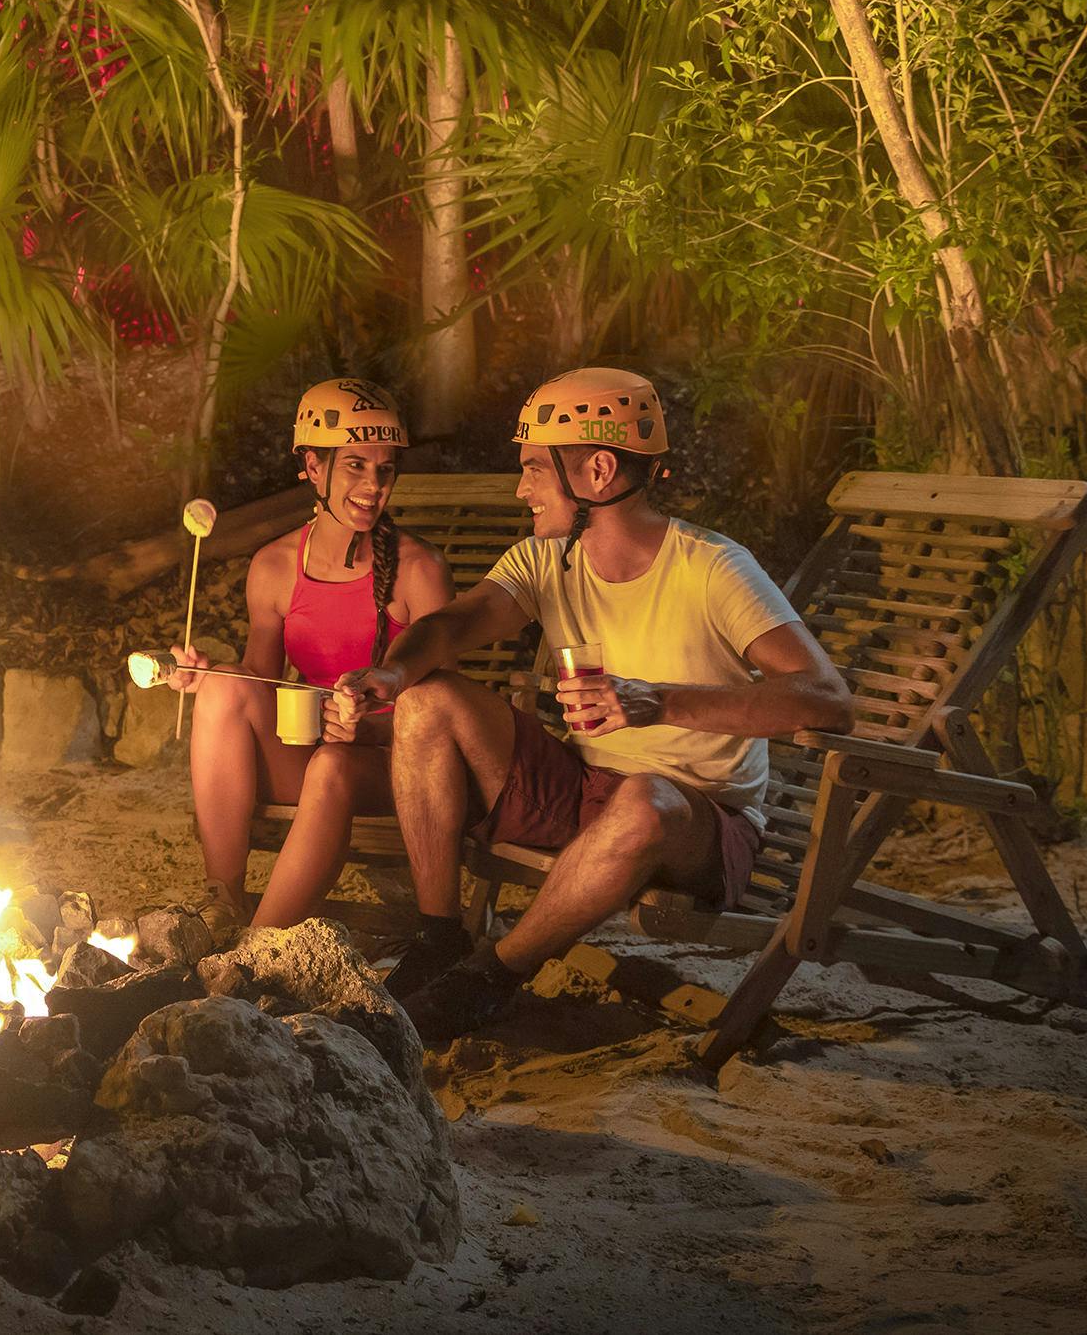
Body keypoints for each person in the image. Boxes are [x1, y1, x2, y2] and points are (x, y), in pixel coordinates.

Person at [331, 367, 853, 1045]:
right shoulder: (547, 557)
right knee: (427, 702)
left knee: (645, 801)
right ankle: (441, 937)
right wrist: (393, 674)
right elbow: (452, 626)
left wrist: (658, 702)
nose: (521, 489)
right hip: (584, 788)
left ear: (599, 470)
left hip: (695, 817)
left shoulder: (713, 567)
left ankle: (489, 977)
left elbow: (827, 700)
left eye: (532, 470)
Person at [170, 378, 453, 939]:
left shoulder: (420, 570)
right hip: (307, 757)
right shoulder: (274, 567)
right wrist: (207, 677)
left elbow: (444, 717)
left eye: (385, 469)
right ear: (314, 467)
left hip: (391, 769)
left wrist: (362, 732)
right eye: (355, 466)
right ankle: (222, 903)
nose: (373, 486)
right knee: (226, 687)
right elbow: (261, 682)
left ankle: (258, 946)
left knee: (332, 764)